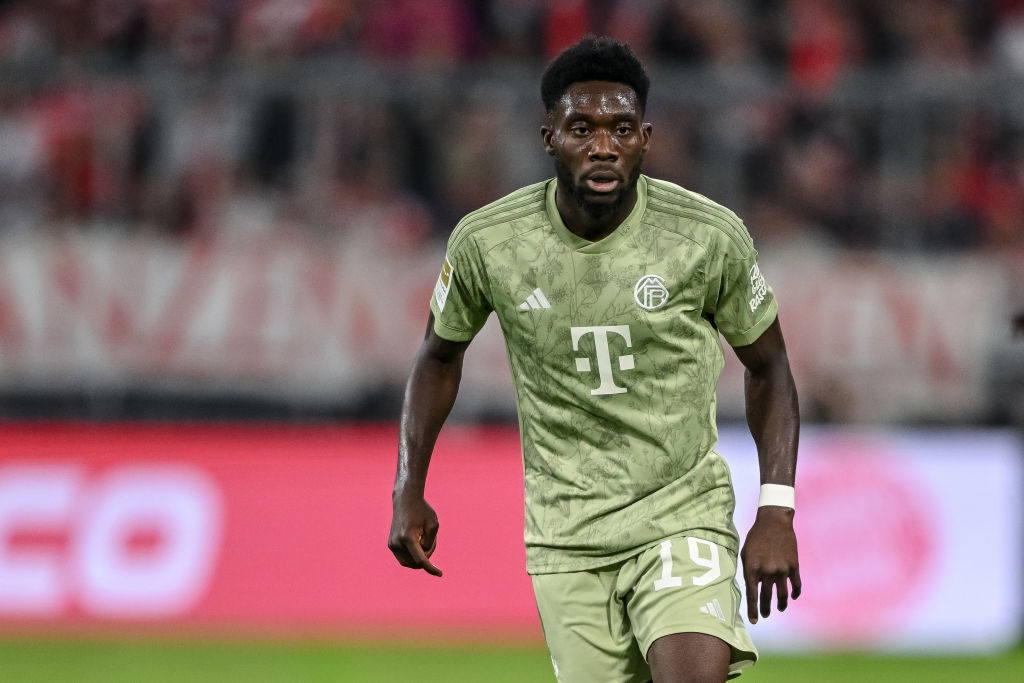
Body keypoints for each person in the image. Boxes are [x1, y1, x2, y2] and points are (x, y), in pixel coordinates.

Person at [389, 35, 800, 683]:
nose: (603, 145)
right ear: (549, 136)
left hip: (680, 513)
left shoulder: (705, 235)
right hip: (566, 534)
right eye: (582, 127)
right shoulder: (490, 241)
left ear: (646, 137)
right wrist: (408, 487)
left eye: (622, 128)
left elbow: (770, 365)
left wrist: (775, 507)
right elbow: (438, 356)